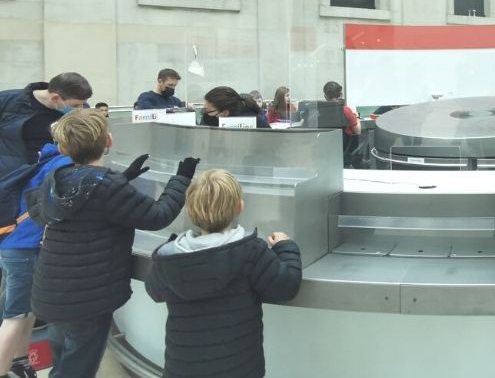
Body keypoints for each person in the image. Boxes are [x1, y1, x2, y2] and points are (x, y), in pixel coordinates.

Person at [24, 110, 199, 378]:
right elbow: (157, 216)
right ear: (109, 141)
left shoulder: (55, 180)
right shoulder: (108, 187)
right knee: (77, 368)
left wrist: (122, 179)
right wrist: (181, 179)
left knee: (63, 358)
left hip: (51, 293)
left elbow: (62, 207)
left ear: (62, 148)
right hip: (88, 299)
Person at [145, 169, 302, 378]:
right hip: (239, 370)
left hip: (182, 370)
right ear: (240, 207)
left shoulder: (169, 257)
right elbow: (286, 286)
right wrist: (285, 246)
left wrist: (169, 245)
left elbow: (154, 291)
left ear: (189, 211)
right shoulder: (251, 251)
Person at [0, 142, 70, 378]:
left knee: (27, 312)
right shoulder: (63, 166)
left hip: (13, 243)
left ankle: (19, 363)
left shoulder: (44, 159)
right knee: (15, 316)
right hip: (26, 248)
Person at [0, 72, 92, 178]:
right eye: (76, 105)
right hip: (12, 177)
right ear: (55, 99)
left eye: (83, 104)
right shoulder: (6, 101)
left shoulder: (81, 111)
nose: (81, 108)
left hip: (55, 176)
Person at [202, 86, 270, 128]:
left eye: (208, 111)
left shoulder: (254, 123)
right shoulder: (212, 120)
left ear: (225, 113)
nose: (205, 114)